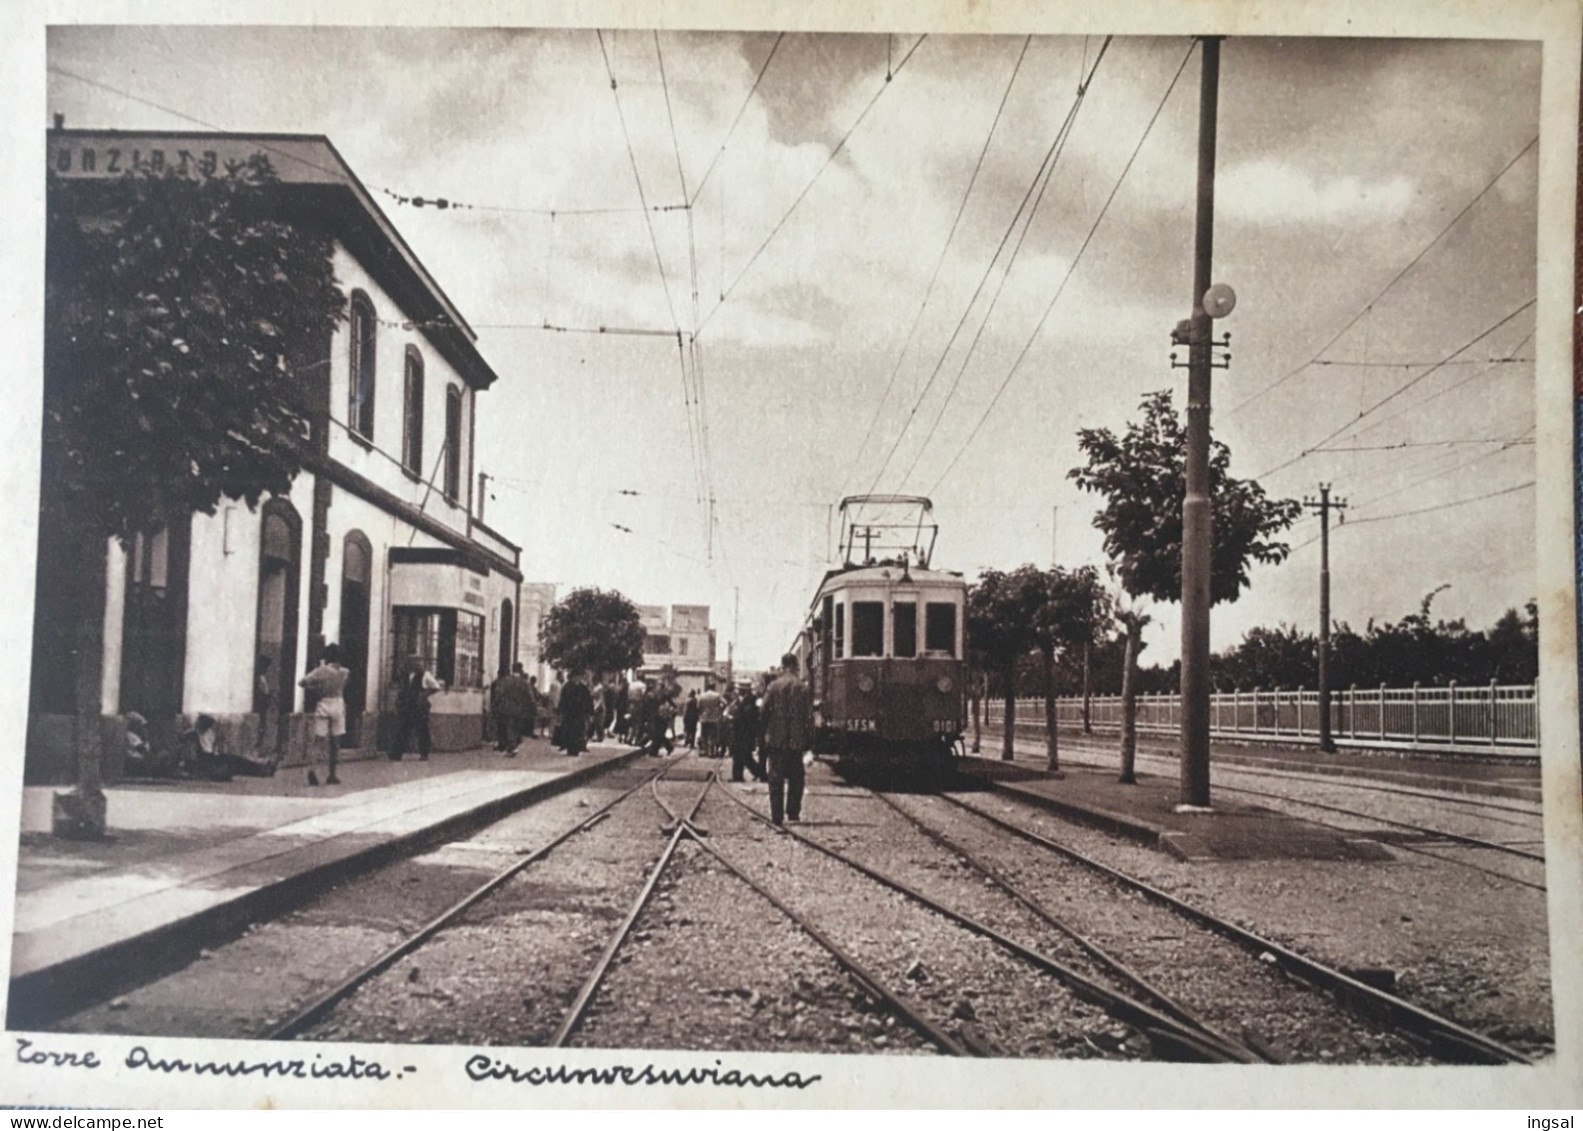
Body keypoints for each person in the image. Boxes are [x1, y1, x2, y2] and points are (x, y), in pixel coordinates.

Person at [760, 653, 813, 826]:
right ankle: (793, 813)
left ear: (783, 666)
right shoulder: (803, 687)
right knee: (796, 777)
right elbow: (808, 717)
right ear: (796, 665)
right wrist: (808, 741)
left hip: (776, 739)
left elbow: (763, 711)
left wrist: (764, 734)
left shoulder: (773, 686)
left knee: (775, 776)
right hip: (796, 740)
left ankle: (777, 816)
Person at [300, 644, 350, 786]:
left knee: (318, 740)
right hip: (338, 704)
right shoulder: (345, 672)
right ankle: (332, 774)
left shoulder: (320, 671)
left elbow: (302, 682)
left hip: (323, 703)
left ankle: (312, 770)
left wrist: (316, 689)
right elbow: (343, 687)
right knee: (335, 742)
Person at [178, 714, 276, 780]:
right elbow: (194, 755)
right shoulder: (193, 735)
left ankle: (262, 769)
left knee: (236, 760)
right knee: (235, 762)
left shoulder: (206, 733)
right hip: (206, 761)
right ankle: (261, 770)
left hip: (210, 759)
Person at [392, 653, 441, 763]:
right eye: (411, 661)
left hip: (419, 707)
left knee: (422, 730)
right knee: (402, 729)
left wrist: (424, 695)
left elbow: (436, 687)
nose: (413, 664)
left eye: (416, 661)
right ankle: (396, 754)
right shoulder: (403, 674)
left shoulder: (425, 674)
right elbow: (401, 687)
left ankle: (424, 753)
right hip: (405, 705)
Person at [726, 686, 764, 783]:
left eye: (740, 689)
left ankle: (761, 774)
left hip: (744, 734)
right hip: (744, 734)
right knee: (740, 756)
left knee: (744, 757)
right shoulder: (747, 701)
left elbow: (744, 717)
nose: (738, 691)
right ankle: (738, 776)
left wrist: (732, 719)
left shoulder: (749, 702)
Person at [558, 671, 594, 757]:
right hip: (569, 713)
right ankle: (570, 748)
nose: (578, 678)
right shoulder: (567, 687)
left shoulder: (582, 688)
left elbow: (588, 700)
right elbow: (563, 700)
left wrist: (589, 712)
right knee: (570, 730)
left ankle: (576, 748)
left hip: (579, 714)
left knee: (578, 731)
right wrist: (561, 711)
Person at [697, 682, 724, 758]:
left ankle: (704, 751)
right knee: (712, 736)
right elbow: (724, 703)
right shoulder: (717, 695)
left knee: (704, 735)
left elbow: (698, 706)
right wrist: (720, 710)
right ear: (714, 688)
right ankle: (711, 752)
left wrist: (701, 713)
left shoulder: (702, 696)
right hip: (714, 719)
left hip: (704, 718)